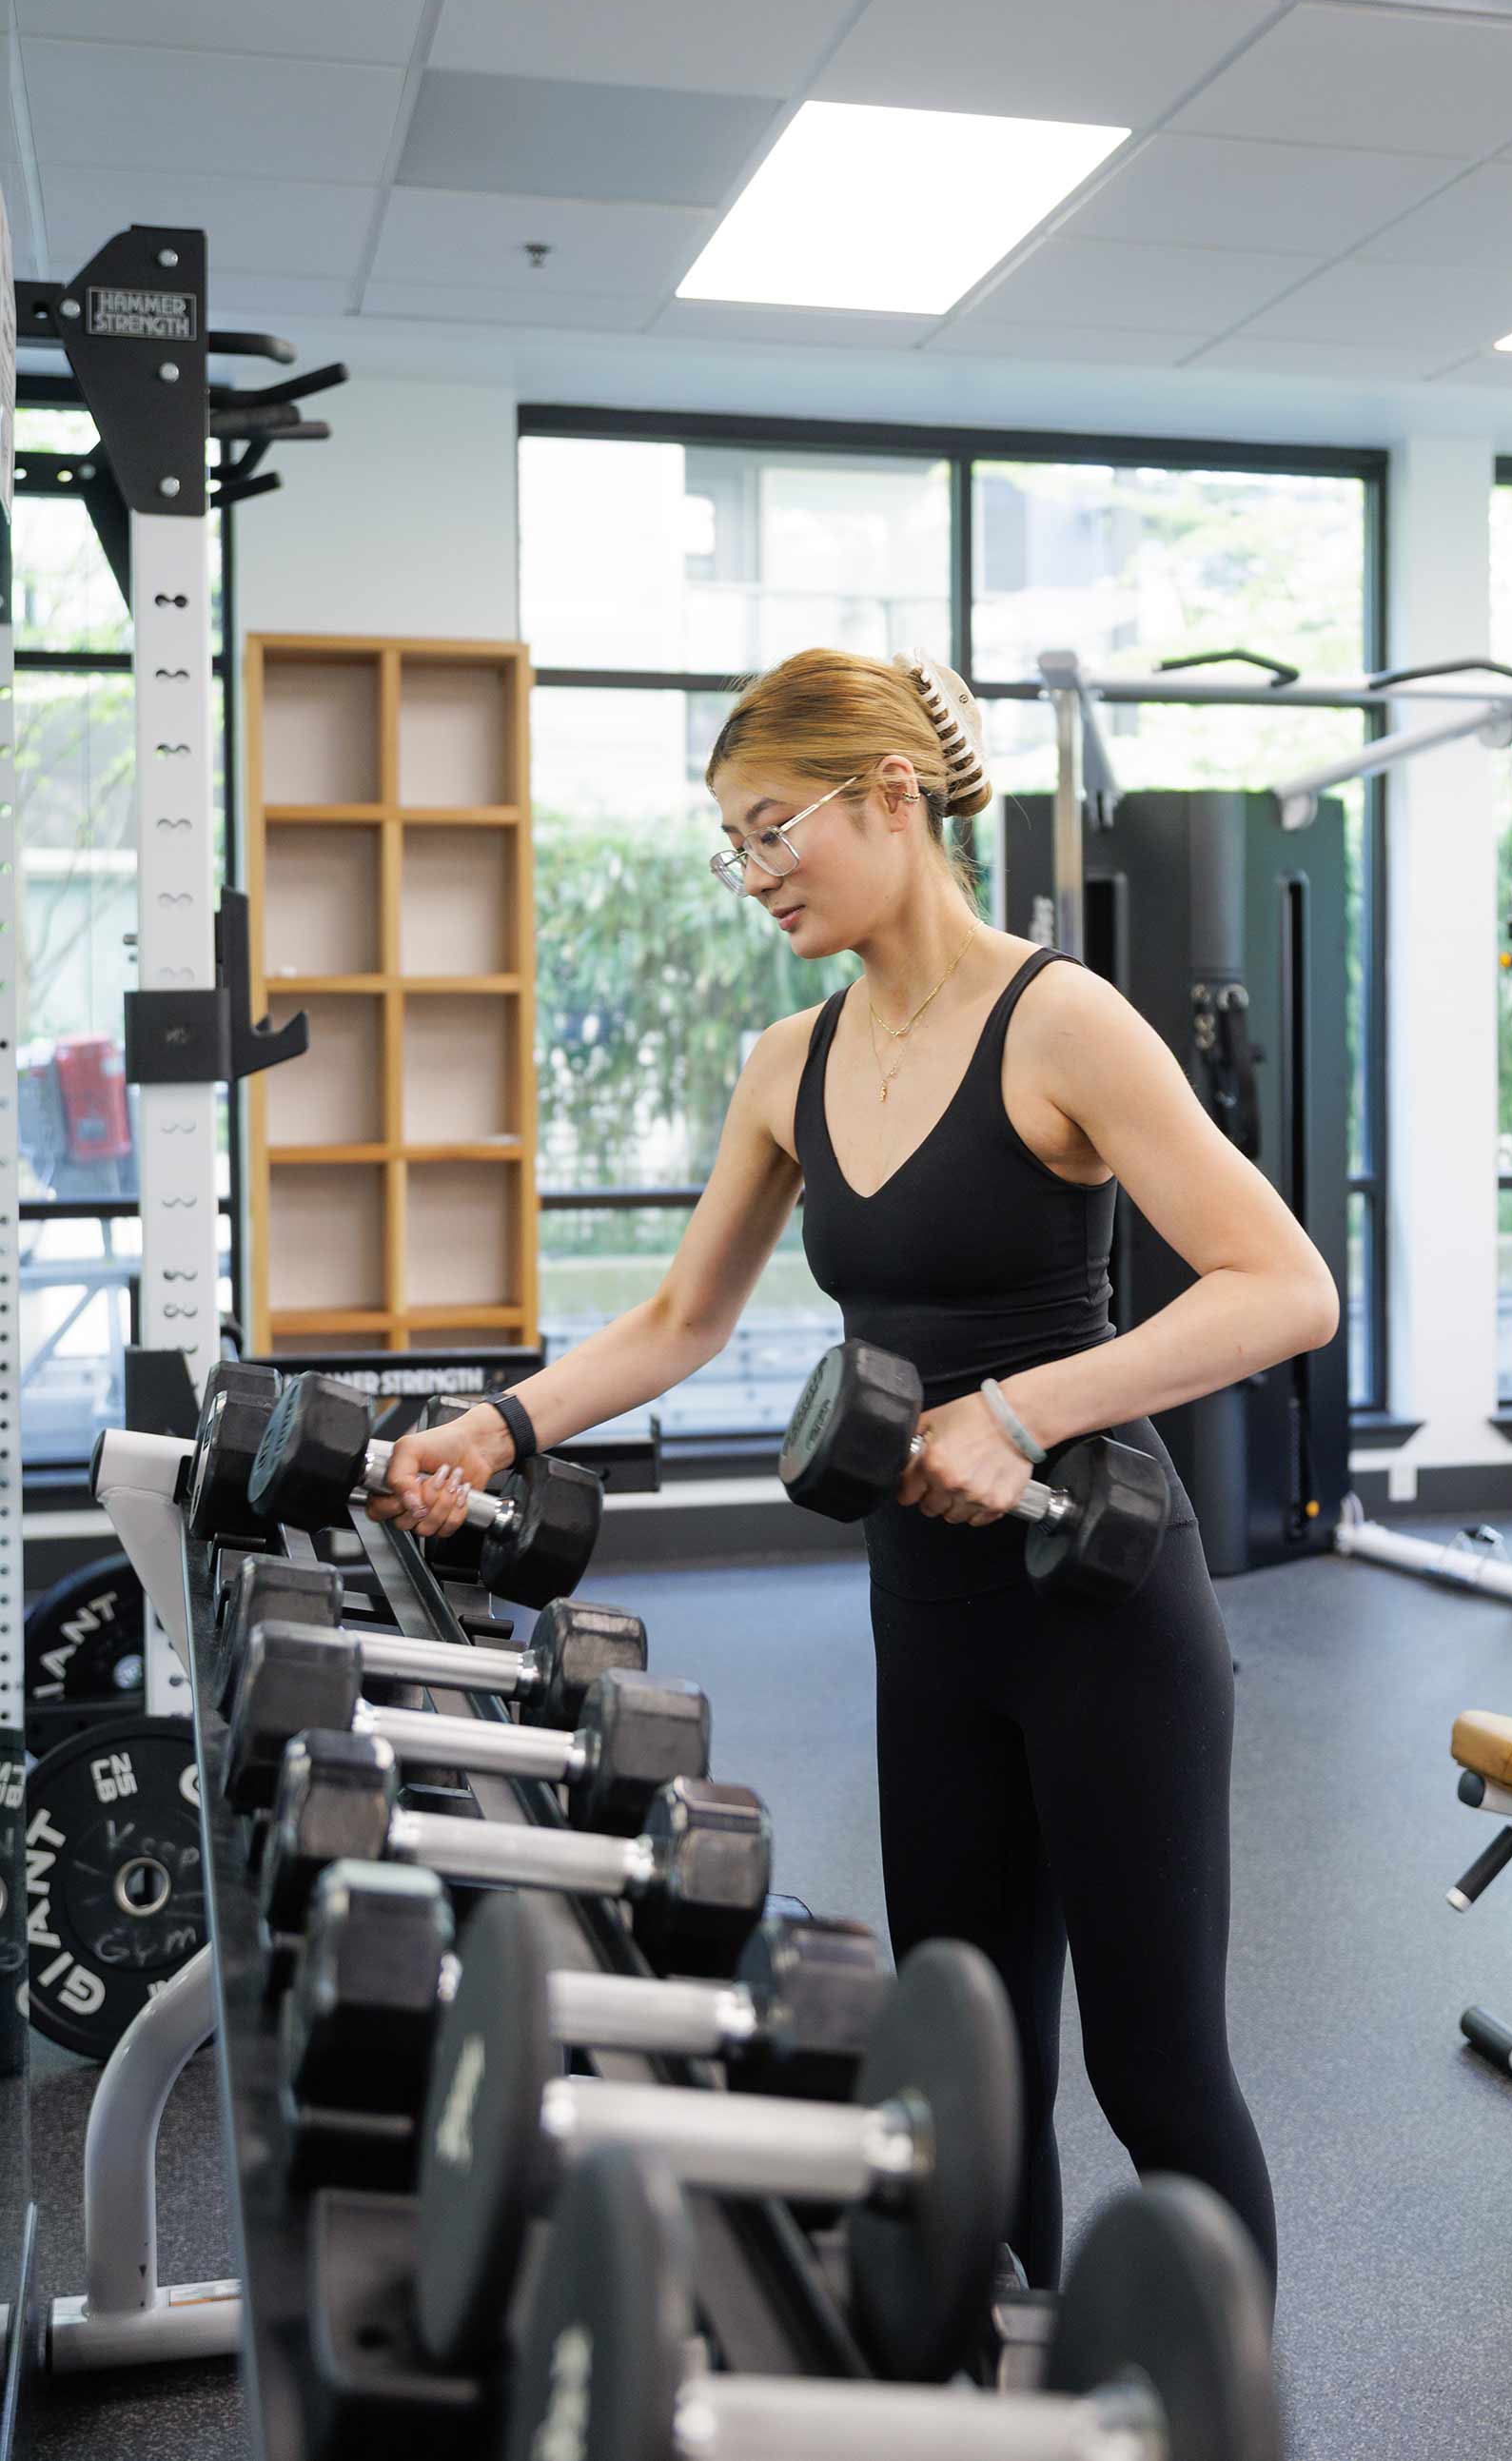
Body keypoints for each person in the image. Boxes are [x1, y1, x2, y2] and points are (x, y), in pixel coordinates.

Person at [373, 644, 1337, 2296]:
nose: (754, 875)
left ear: (891, 795)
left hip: (1102, 1598)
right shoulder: (788, 1063)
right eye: (732, 846)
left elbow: (1284, 1285)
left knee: (1154, 2068)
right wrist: (498, 1425)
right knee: (976, 2062)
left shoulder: (1061, 1019)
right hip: (931, 1613)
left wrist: (1022, 1411)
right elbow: (683, 1318)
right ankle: (991, 2405)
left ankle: (1234, 2408)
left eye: (772, 831)